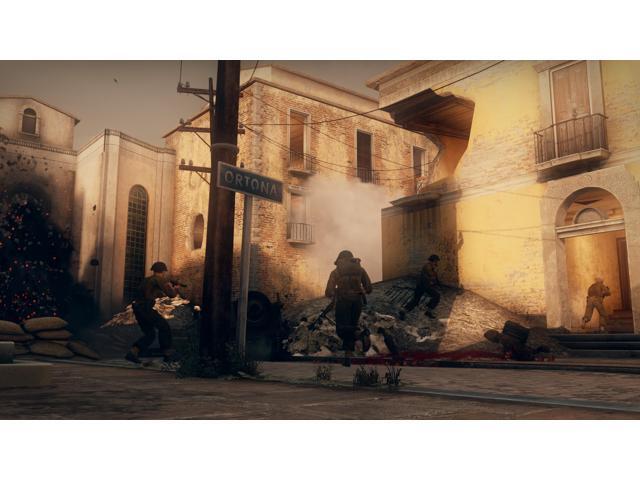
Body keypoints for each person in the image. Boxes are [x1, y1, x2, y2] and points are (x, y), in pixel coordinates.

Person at [125, 261, 180, 364]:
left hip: (138, 308)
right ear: (163, 271)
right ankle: (168, 354)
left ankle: (133, 352)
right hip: (146, 308)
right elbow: (171, 295)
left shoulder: (146, 280)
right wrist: (175, 288)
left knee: (150, 334)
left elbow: (151, 293)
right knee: (164, 327)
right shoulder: (159, 279)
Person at [325, 250, 372, 366]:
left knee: (342, 329)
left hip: (343, 302)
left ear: (339, 259)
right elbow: (369, 288)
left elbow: (328, 291)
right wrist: (359, 291)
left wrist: (334, 292)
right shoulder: (360, 269)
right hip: (357, 302)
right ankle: (348, 356)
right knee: (352, 325)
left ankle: (360, 334)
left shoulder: (336, 271)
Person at [400, 254, 441, 319]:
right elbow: (432, 276)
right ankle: (428, 311)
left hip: (423, 285)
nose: (437, 263)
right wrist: (435, 271)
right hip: (424, 286)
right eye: (436, 261)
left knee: (416, 300)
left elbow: (433, 277)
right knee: (436, 296)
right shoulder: (428, 266)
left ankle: (404, 311)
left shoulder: (430, 266)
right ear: (433, 260)